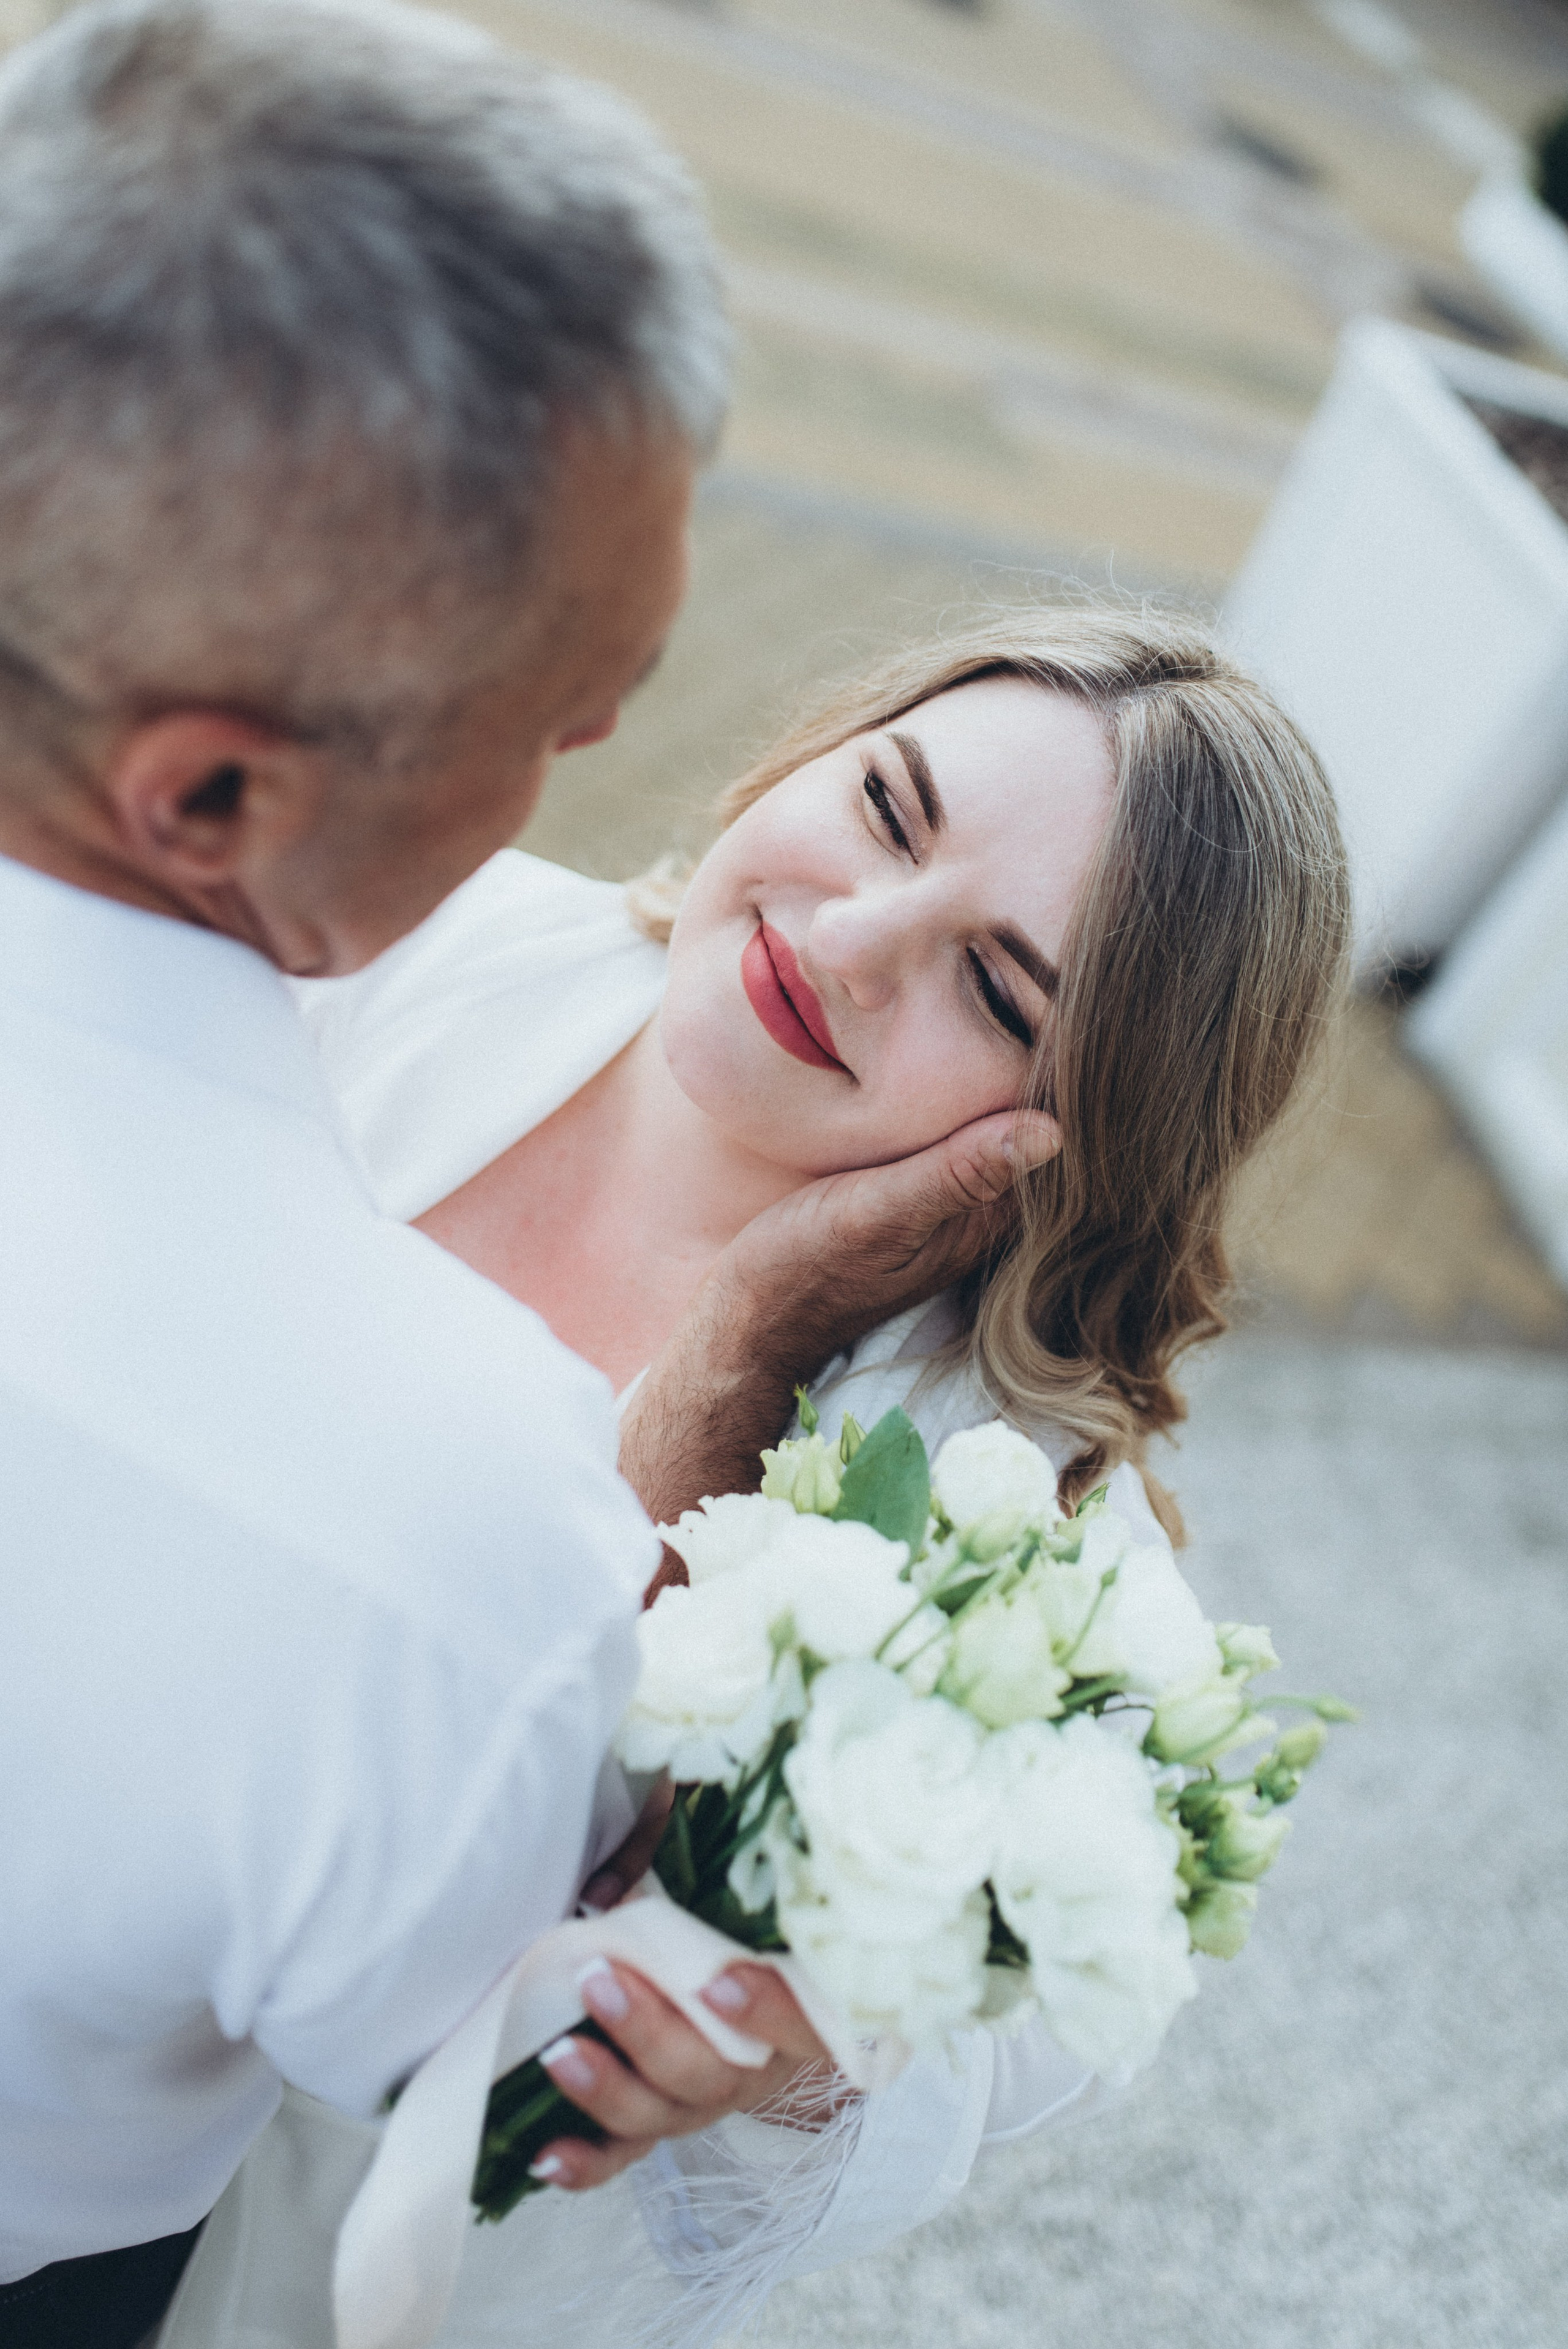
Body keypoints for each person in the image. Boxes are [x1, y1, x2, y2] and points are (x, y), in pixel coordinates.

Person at [0, 6, 1045, 2343]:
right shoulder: (448, 1537)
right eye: (561, 700)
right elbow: (442, 2055)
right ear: (210, 800)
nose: (595, 772)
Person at [156, 608, 1351, 2348]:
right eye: (886, 809)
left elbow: (1049, 2016)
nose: (853, 943)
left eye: (998, 986)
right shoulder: (400, 929)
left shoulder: (1005, 1510)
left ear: (1090, 1127)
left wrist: (806, 2032)